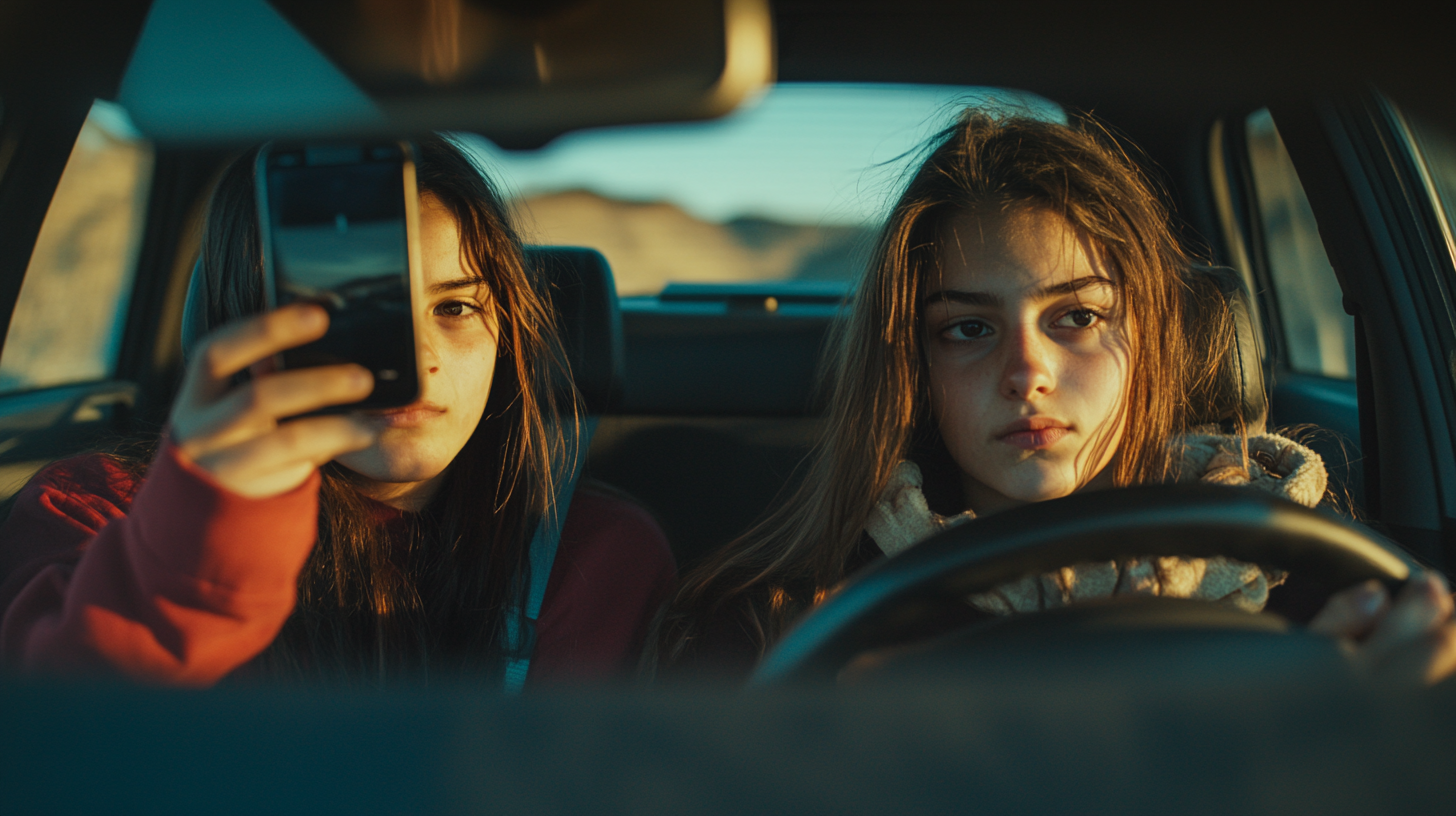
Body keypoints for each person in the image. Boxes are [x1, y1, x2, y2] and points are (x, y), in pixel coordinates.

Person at [650, 110, 1456, 686]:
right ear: (913, 365)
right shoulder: (781, 627)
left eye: (1077, 317)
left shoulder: (1322, 591)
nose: (1026, 370)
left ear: (1147, 341)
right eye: (968, 328)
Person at [0, 136, 675, 687]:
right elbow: (58, 736)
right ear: (247, 324)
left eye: (456, 307)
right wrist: (206, 531)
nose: (417, 359)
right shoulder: (97, 510)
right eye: (355, 315)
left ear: (511, 337)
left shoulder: (599, 553)